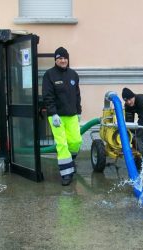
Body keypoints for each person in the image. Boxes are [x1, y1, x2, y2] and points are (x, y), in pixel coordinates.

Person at [42, 47, 82, 186]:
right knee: (62, 144)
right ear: (55, 60)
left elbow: (77, 95)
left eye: (65, 58)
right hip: (56, 117)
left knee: (76, 141)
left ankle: (70, 162)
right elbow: (47, 96)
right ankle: (66, 174)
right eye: (60, 58)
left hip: (71, 115)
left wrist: (79, 111)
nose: (63, 60)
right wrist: (53, 113)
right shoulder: (49, 75)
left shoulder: (73, 75)